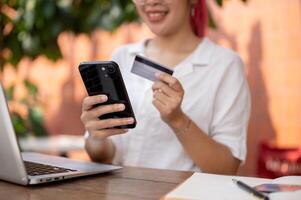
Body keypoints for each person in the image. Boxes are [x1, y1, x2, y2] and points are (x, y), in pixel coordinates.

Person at [81, 0, 250, 174]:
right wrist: (96, 136)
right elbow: (103, 156)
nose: (151, 2)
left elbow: (227, 168)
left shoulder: (225, 65)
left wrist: (178, 120)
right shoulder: (122, 56)